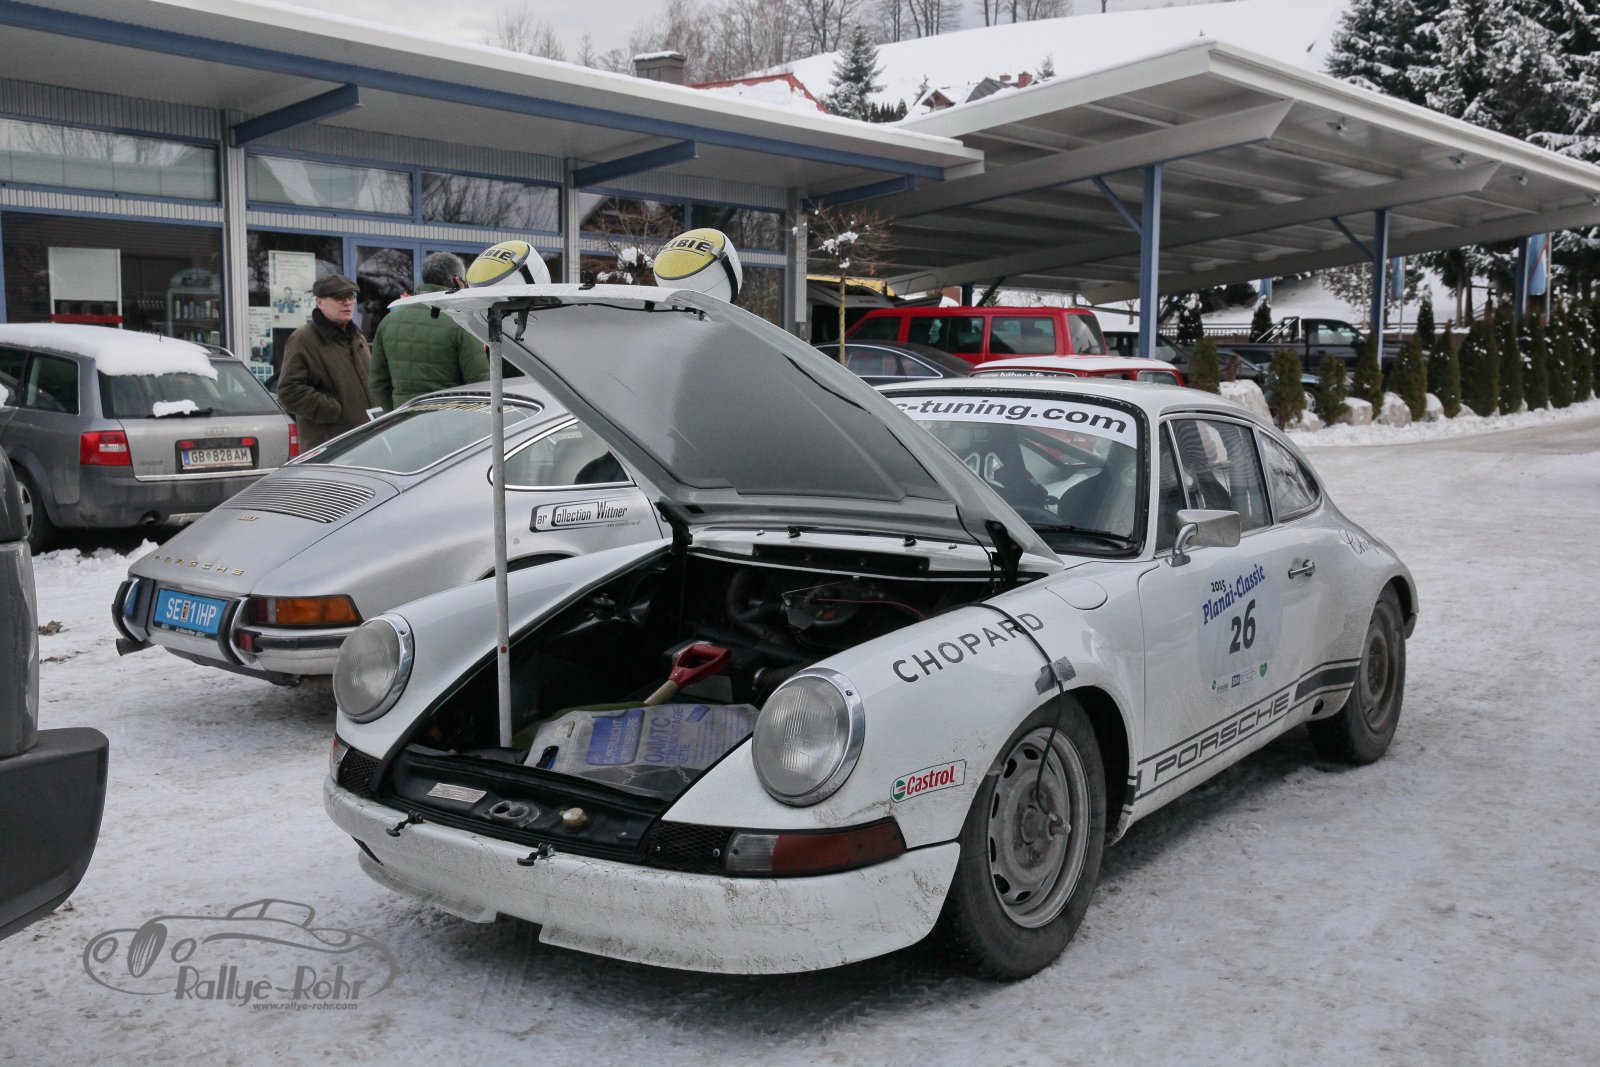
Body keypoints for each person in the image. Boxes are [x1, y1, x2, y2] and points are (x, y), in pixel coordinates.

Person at [368, 252, 487, 411]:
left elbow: (378, 383)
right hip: (452, 420)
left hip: (405, 419)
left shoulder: (388, 322)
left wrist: (397, 414)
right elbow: (480, 384)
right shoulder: (461, 321)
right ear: (456, 280)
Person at [276, 274, 375, 451]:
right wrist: (334, 411)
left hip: (366, 440)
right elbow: (289, 392)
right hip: (329, 446)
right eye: (339, 297)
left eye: (351, 296)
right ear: (320, 302)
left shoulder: (356, 336)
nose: (348, 303)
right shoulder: (303, 339)